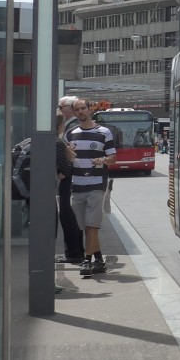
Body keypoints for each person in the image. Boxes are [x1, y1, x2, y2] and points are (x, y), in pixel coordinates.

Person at [66, 98, 116, 276]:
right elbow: (67, 158)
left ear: (89, 110)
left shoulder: (104, 132)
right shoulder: (70, 134)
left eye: (83, 108)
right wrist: (69, 155)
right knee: (86, 227)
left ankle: (87, 261)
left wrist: (103, 159)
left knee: (92, 225)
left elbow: (113, 158)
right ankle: (99, 260)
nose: (80, 111)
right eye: (77, 109)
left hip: (97, 184)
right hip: (76, 184)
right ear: (74, 112)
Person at [55, 95, 84, 265]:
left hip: (70, 180)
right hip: (71, 179)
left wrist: (61, 171)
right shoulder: (69, 128)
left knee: (69, 217)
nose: (59, 109)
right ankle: (74, 252)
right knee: (69, 216)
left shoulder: (73, 128)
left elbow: (68, 160)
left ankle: (74, 253)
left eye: (61, 106)